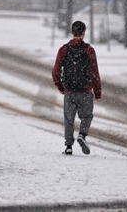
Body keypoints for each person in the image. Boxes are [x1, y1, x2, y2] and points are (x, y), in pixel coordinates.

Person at [52, 20, 102, 155]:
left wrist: (61, 86)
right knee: (87, 116)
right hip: (85, 91)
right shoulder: (89, 50)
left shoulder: (64, 49)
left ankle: (68, 146)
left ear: (72, 32)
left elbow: (55, 71)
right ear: (84, 33)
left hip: (69, 91)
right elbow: (95, 72)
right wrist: (97, 91)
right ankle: (82, 135)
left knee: (69, 119)